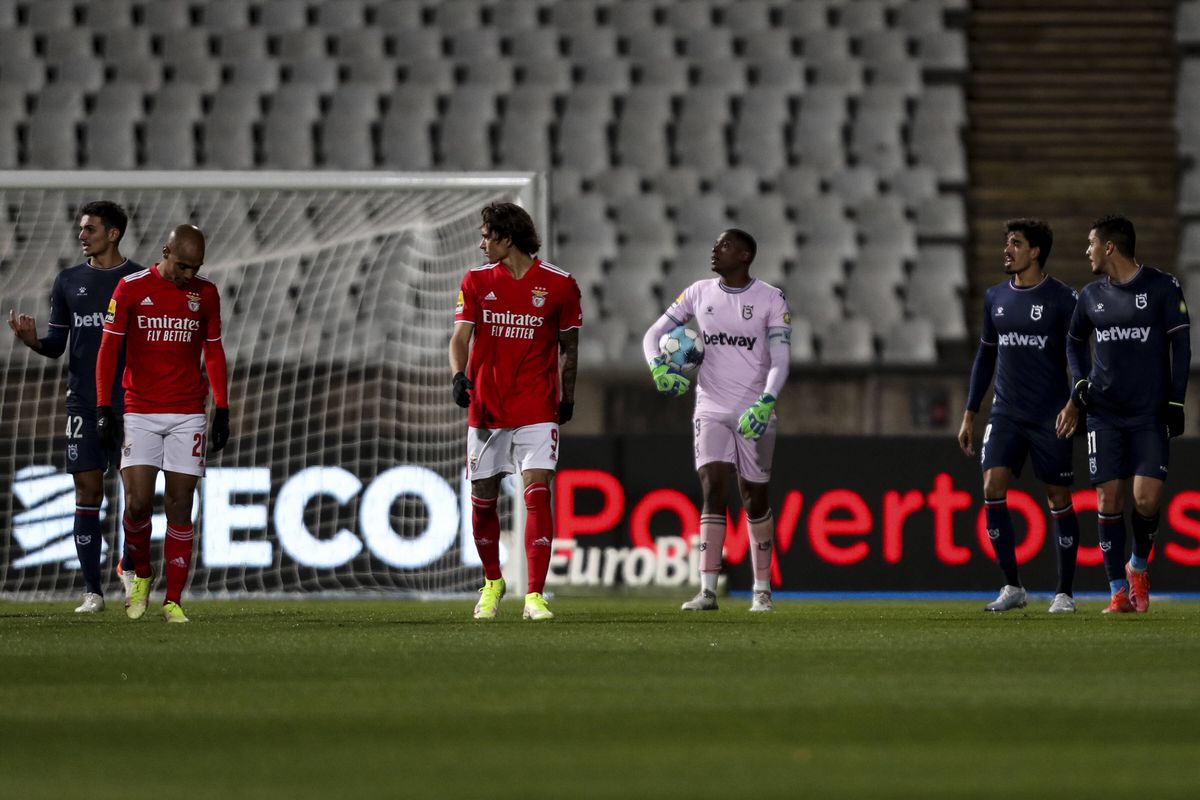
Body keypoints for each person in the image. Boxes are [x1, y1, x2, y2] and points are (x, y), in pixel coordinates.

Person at [642, 229, 791, 612]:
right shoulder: (697, 292)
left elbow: (781, 359)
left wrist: (767, 401)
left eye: (724, 245)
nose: (714, 249)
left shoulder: (771, 298)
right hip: (709, 405)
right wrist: (658, 366)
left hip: (754, 409)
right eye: (715, 244)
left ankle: (761, 589)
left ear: (745, 256)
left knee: (754, 497)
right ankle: (707, 590)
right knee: (712, 487)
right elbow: (654, 334)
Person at [8, 201, 143, 614]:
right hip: (83, 403)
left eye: (90, 229)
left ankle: (129, 565)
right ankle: (92, 592)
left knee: (137, 498)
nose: (82, 235)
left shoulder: (138, 280)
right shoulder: (68, 281)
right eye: (81, 228)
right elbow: (56, 345)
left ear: (113, 233)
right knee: (87, 492)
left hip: (131, 403)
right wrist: (32, 340)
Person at [450, 202, 581, 621]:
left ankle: (535, 595)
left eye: (488, 235)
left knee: (538, 492)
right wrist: (457, 376)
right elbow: (459, 339)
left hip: (537, 405)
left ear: (508, 239)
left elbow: (569, 349)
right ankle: (493, 582)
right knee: (482, 500)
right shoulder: (475, 281)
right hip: (487, 407)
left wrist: (568, 397)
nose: (482, 243)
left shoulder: (560, 285)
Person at [95, 224, 230, 624]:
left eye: (196, 267)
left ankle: (173, 600)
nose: (190, 274)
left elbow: (215, 350)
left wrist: (222, 408)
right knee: (136, 504)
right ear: (166, 251)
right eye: (184, 266)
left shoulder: (205, 294)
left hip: (188, 412)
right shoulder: (131, 288)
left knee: (179, 506)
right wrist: (104, 406)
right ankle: (140, 574)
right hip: (139, 411)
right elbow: (108, 350)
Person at [957, 219, 1084, 613]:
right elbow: (985, 357)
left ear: (1035, 252)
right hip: (1006, 412)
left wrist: (1075, 401)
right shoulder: (995, 296)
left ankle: (1064, 592)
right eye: (1006, 243)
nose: (1006, 249)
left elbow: (1077, 356)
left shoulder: (1063, 299)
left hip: (1051, 414)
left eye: (1015, 243)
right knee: (992, 487)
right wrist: (969, 411)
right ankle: (1012, 586)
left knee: (1057, 497)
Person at [1066, 215, 1190, 614]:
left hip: (1149, 413)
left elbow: (1183, 349)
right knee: (1108, 497)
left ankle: (1137, 565)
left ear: (1109, 247)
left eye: (1090, 243)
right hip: (1103, 414)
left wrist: (1176, 401)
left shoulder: (1162, 287)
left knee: (1147, 499)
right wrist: (1079, 383)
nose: (1086, 251)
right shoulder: (1089, 296)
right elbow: (1073, 343)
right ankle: (1118, 591)